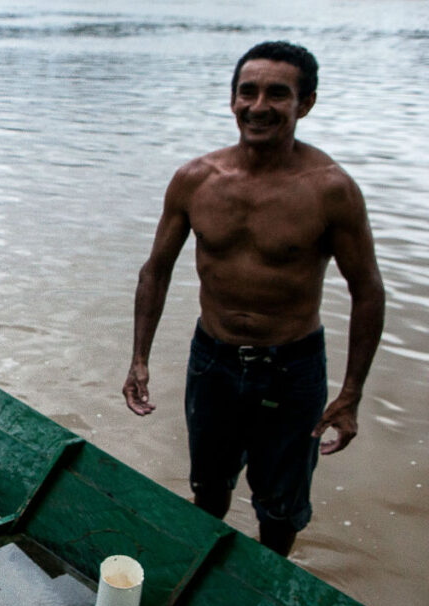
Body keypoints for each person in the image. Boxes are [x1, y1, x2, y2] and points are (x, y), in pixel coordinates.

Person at [122, 41, 384, 556]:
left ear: (304, 103)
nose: (259, 106)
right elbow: (156, 272)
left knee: (281, 507)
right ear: (232, 98)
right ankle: (208, 574)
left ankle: (268, 587)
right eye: (248, 91)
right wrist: (139, 358)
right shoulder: (197, 180)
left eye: (277, 94)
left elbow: (368, 292)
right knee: (209, 488)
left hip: (293, 367)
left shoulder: (331, 190)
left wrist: (351, 393)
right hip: (213, 359)